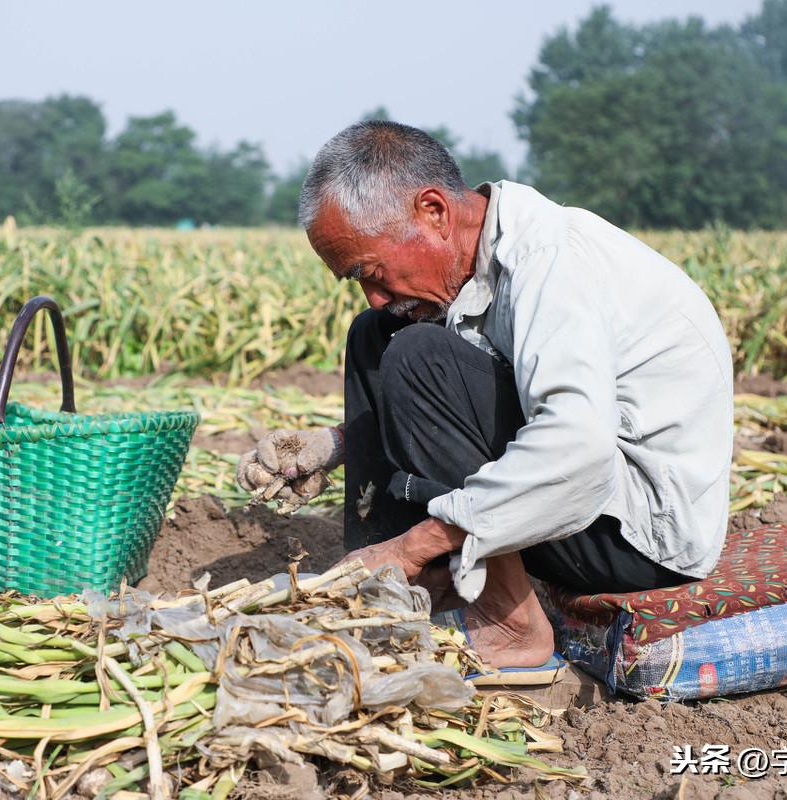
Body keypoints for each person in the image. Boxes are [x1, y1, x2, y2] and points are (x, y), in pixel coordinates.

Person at [236, 121, 733, 672]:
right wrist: (335, 444)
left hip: (636, 533)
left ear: (433, 211)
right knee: (377, 333)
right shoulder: (479, 256)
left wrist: (415, 544)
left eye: (372, 272)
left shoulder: (550, 262)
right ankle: (395, 584)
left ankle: (507, 621)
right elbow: (480, 399)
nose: (373, 294)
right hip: (577, 506)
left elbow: (579, 453)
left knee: (418, 355)